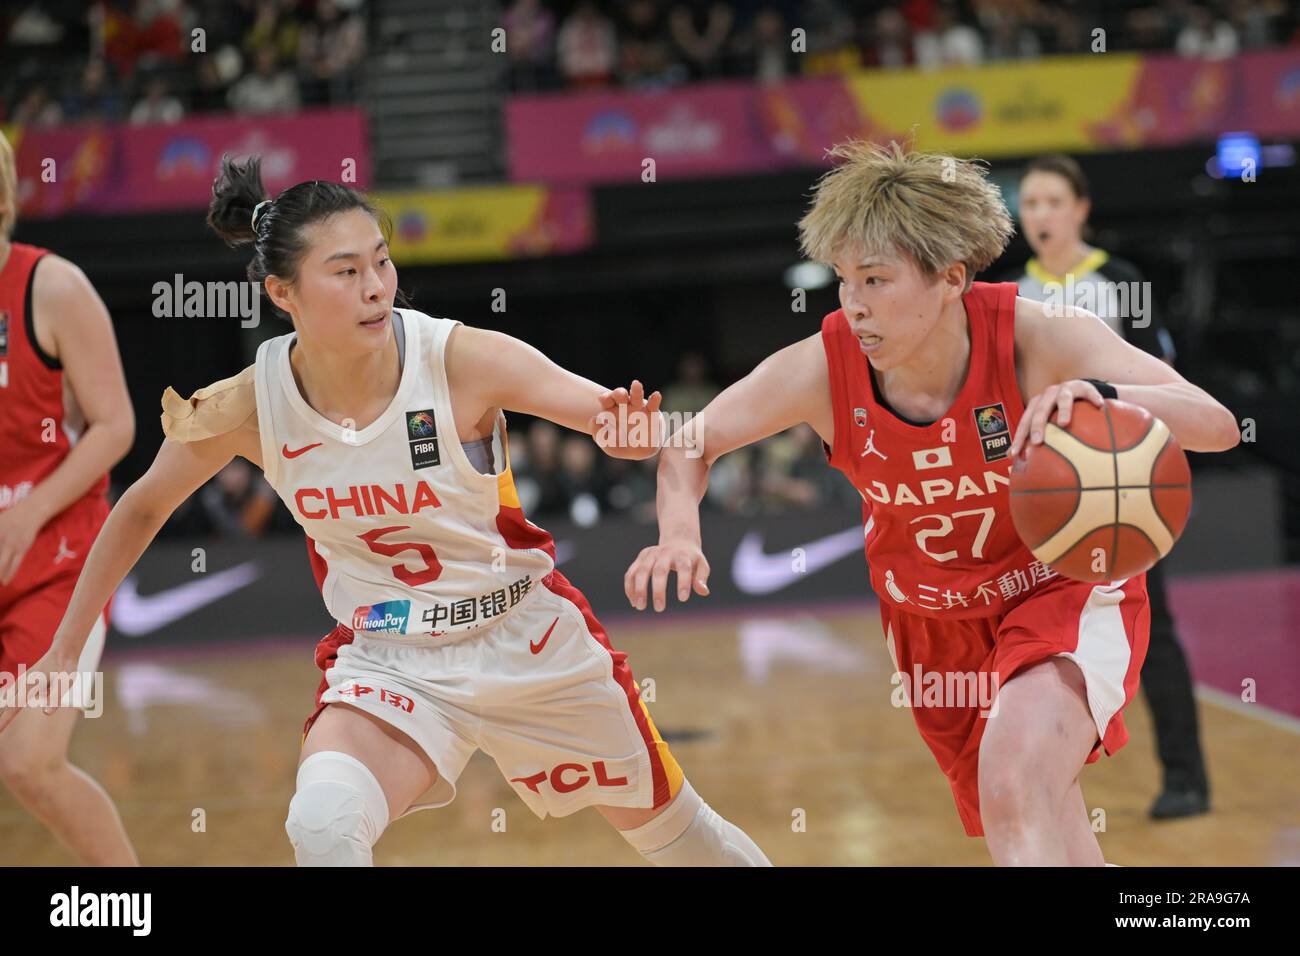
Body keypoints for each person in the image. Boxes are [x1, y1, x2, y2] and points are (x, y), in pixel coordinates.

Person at [2, 157, 770, 868]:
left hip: (524, 636)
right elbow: (139, 508)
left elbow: (617, 424)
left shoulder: (462, 360)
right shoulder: (248, 405)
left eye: (381, 261)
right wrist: (65, 651)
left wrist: (627, 433)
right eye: (346, 271)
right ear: (282, 294)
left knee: (684, 844)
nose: (377, 285)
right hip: (388, 658)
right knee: (323, 824)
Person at [625, 140, 1240, 865]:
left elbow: (1217, 424)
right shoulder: (822, 369)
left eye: (876, 280)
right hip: (930, 625)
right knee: (1043, 812)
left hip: (1058, 589)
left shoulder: (1037, 338)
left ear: (950, 278)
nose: (854, 304)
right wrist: (679, 533)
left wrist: (1103, 395)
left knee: (1014, 781)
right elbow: (691, 444)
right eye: (844, 279)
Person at [1013, 153, 1211, 820]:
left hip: (1121, 485)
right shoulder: (1012, 295)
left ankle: (1185, 778)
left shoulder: (1120, 282)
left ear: (1081, 209)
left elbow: (1165, 383)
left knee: (1155, 630)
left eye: (1051, 202)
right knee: (1038, 638)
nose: (1039, 214)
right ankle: (1048, 787)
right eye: (1030, 203)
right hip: (1044, 491)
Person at [0, 131, 138, 865]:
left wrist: (26, 509)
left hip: (57, 558)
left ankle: (126, 905)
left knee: (28, 762)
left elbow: (116, 425)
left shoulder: (50, 287)